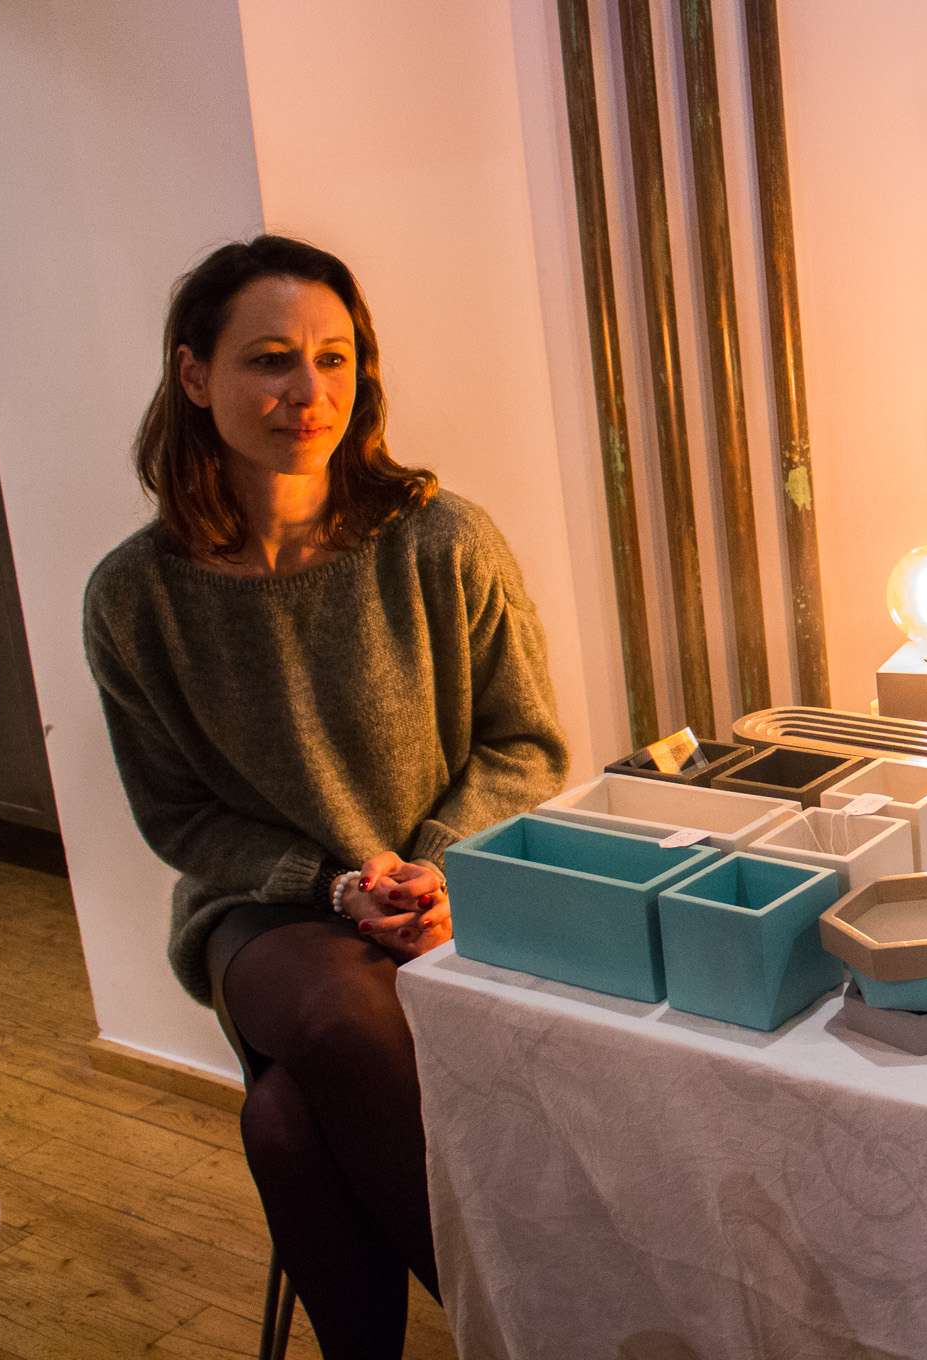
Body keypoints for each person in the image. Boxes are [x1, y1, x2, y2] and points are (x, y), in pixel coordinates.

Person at [82, 235, 569, 1358]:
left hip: (444, 890)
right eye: (270, 360)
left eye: (333, 358)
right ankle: (539, 1326)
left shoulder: (443, 543)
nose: (309, 392)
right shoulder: (135, 597)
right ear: (195, 373)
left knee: (287, 1123)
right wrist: (334, 885)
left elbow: (527, 745)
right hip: (266, 916)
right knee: (341, 1019)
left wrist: (436, 864)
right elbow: (179, 818)